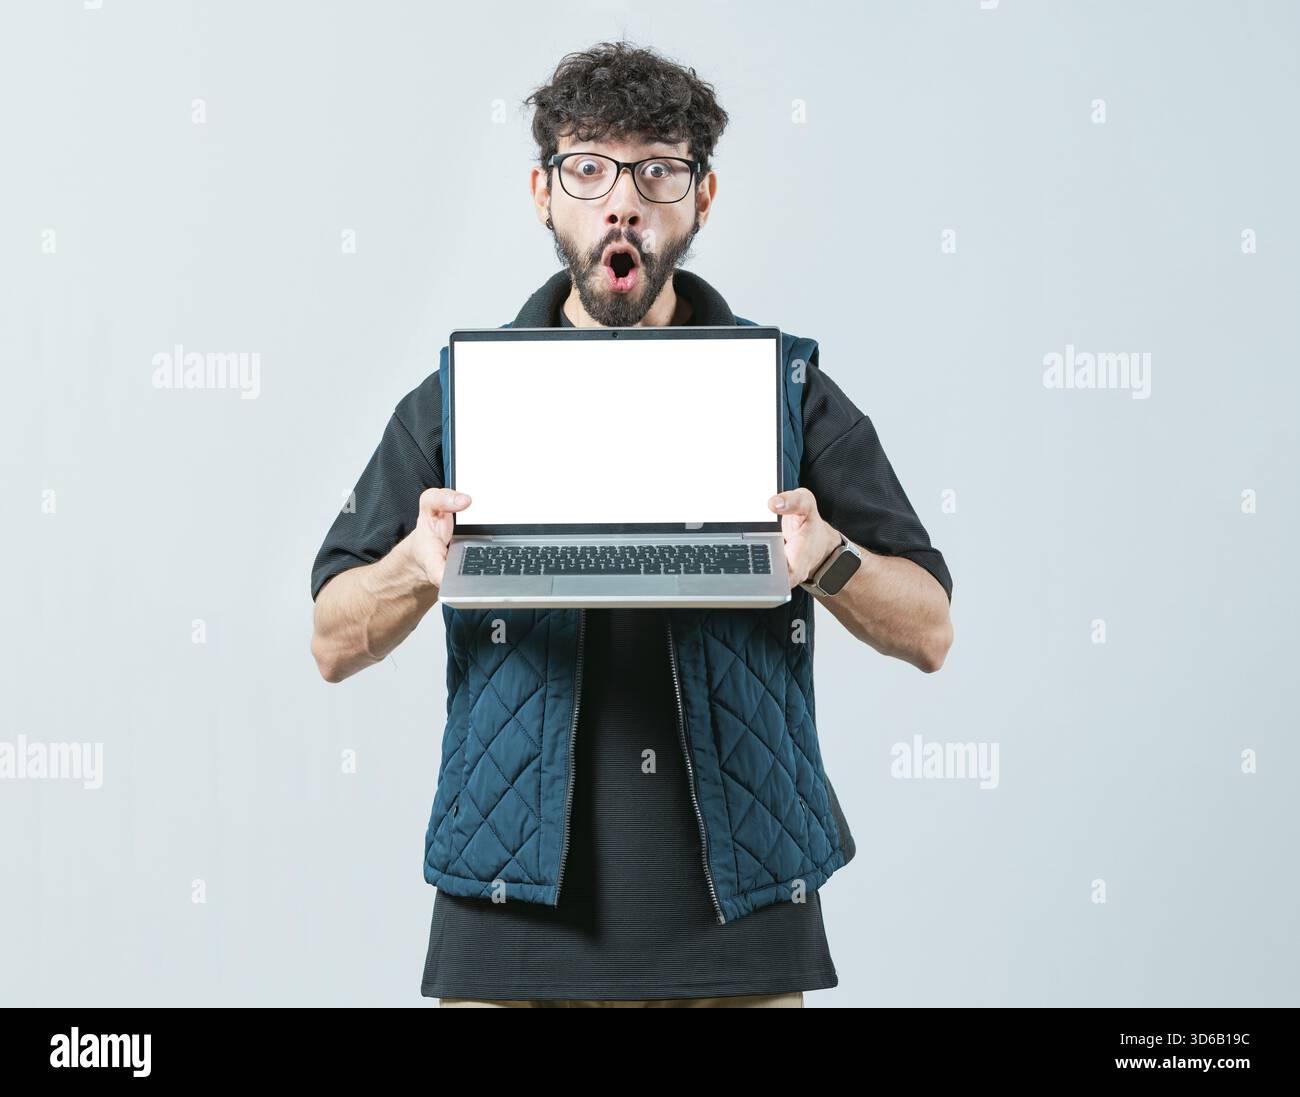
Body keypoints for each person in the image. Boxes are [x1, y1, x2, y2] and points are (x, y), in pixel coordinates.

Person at [309, 41, 954, 1008]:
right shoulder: (459, 399)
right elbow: (330, 637)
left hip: (742, 921)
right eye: (589, 168)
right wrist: (414, 564)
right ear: (543, 192)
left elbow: (932, 627)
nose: (623, 201)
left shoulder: (786, 392)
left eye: (658, 170)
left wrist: (829, 561)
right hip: (509, 919)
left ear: (701, 198)